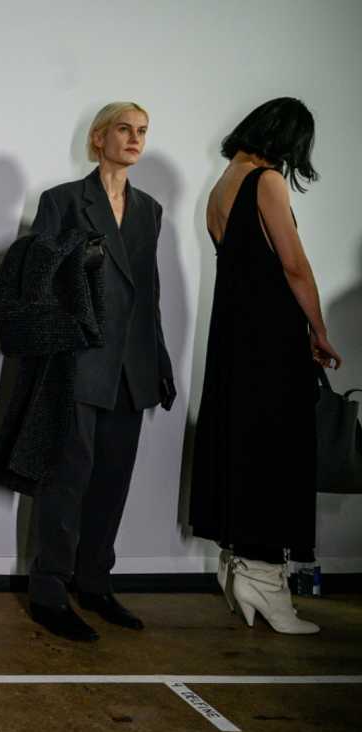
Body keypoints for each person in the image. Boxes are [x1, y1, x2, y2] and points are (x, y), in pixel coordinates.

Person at [190, 97, 342, 634]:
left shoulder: (222, 184)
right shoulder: (267, 180)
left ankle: (242, 570)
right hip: (270, 338)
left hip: (234, 338)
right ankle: (265, 581)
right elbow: (294, 265)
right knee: (275, 450)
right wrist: (319, 331)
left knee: (244, 443)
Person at [25, 102, 175, 641]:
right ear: (97, 139)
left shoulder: (151, 210)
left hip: (131, 368)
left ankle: (94, 583)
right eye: (124, 129)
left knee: (112, 481)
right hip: (78, 362)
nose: (135, 139)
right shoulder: (62, 201)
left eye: (142, 132)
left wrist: (159, 362)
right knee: (66, 479)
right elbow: (35, 286)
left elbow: (149, 294)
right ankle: (49, 590)